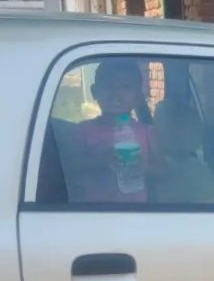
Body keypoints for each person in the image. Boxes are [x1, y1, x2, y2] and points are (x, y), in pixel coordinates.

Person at [58, 57, 155, 204]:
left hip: (137, 212)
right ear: (94, 91)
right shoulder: (83, 131)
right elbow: (70, 169)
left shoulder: (146, 132)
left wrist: (143, 167)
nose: (116, 95)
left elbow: (164, 171)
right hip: (96, 212)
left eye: (125, 87)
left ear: (138, 96)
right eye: (108, 87)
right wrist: (101, 160)